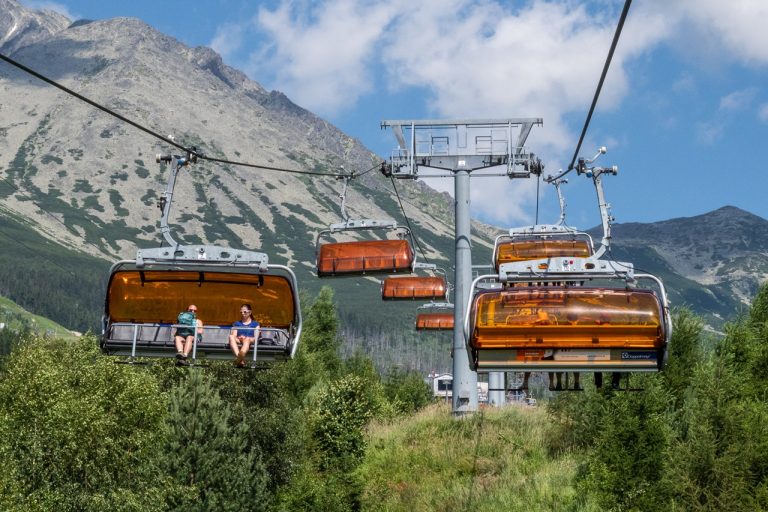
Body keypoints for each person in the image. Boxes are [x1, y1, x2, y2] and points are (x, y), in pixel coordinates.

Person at [229, 303, 260, 367]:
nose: (243, 313)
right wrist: (240, 337)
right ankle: (241, 358)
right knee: (231, 336)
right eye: (241, 312)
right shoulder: (237, 323)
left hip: (249, 340)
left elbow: (256, 337)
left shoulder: (255, 324)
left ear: (250, 312)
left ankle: (238, 360)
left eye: (245, 312)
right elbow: (234, 335)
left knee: (247, 339)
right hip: (239, 339)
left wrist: (246, 338)